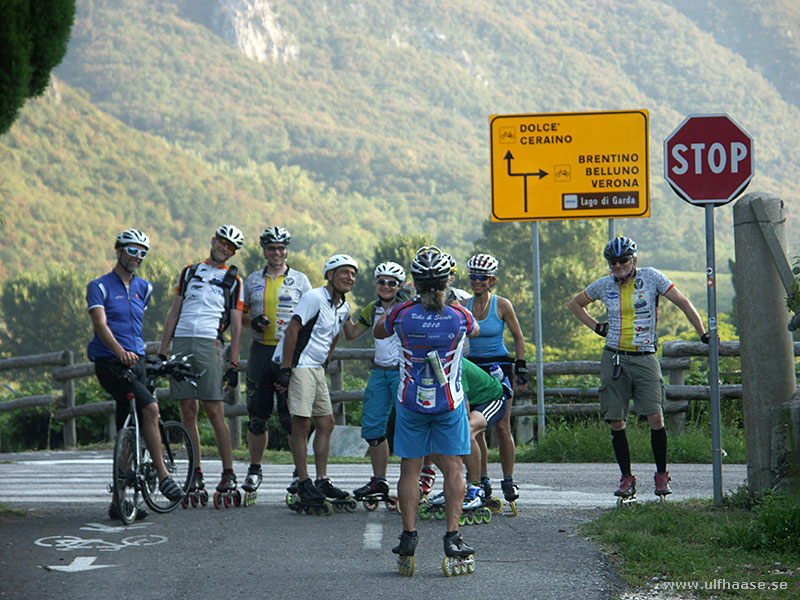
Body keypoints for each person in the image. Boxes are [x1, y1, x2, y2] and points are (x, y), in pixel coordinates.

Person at [567, 236, 709, 500]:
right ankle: (626, 478)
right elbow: (575, 304)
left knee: (656, 416)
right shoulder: (605, 284)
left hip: (645, 356)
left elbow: (683, 303)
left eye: (624, 260)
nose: (618, 265)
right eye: (613, 262)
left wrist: (703, 334)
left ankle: (661, 474)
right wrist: (597, 327)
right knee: (616, 421)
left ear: (635, 260)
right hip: (615, 357)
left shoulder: (652, 277)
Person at [374, 246, 479, 570]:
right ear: (447, 281)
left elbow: (379, 331)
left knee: (410, 469)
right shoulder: (459, 315)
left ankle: (408, 534)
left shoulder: (401, 314)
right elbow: (474, 330)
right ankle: (452, 536)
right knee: (453, 469)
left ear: (415, 283)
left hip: (411, 401)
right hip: (449, 402)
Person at [87, 229, 184, 520]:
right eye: (132, 250)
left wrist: (141, 356)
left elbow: (134, 325)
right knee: (150, 408)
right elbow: (101, 325)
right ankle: (165, 478)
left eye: (142, 252)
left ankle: (119, 502)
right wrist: (119, 351)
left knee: (128, 430)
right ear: (118, 251)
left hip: (137, 361)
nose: (137, 257)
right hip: (111, 362)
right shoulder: (99, 286)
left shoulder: (145, 288)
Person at [158, 225, 245, 499]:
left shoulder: (234, 281)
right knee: (187, 411)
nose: (225, 248)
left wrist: (234, 363)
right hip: (182, 340)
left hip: (210, 342)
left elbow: (237, 324)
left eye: (231, 246)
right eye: (222, 242)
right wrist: (163, 351)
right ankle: (195, 471)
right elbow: (174, 312)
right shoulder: (189, 272)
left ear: (233, 253)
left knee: (214, 410)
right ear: (213, 241)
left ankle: (228, 472)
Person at [274, 254, 358, 505]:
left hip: (316, 369)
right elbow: (293, 329)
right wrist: (287, 369)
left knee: (326, 423)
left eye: (353, 274)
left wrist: (325, 360)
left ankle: (322, 479)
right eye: (344, 272)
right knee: (301, 425)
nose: (349, 278)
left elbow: (336, 335)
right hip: (299, 367)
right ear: (330, 275)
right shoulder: (314, 297)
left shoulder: (344, 307)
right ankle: (303, 481)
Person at [240, 226, 312, 494]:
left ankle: (299, 471)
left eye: (281, 248)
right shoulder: (252, 281)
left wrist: (295, 360)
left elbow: (309, 321)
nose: (277, 253)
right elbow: (240, 318)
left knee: (291, 416)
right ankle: (255, 469)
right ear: (264, 251)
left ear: (287, 250)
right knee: (257, 416)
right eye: (272, 248)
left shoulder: (301, 281)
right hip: (260, 351)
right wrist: (252, 321)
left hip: (287, 353)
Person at [464, 253, 528, 503]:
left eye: (482, 277)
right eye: (473, 276)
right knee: (476, 427)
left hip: (499, 367)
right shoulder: (464, 305)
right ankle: (483, 478)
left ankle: (508, 479)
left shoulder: (502, 305)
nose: (477, 281)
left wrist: (521, 368)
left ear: (492, 280)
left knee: (502, 426)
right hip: (473, 368)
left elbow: (518, 337)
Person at [343, 262, 406, 501]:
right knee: (372, 428)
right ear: (376, 284)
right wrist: (343, 310)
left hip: (403, 372)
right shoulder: (373, 308)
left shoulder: (408, 308)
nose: (386, 286)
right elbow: (351, 334)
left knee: (410, 427)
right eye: (382, 282)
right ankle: (379, 481)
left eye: (392, 283)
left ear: (399, 286)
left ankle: (417, 479)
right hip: (379, 372)